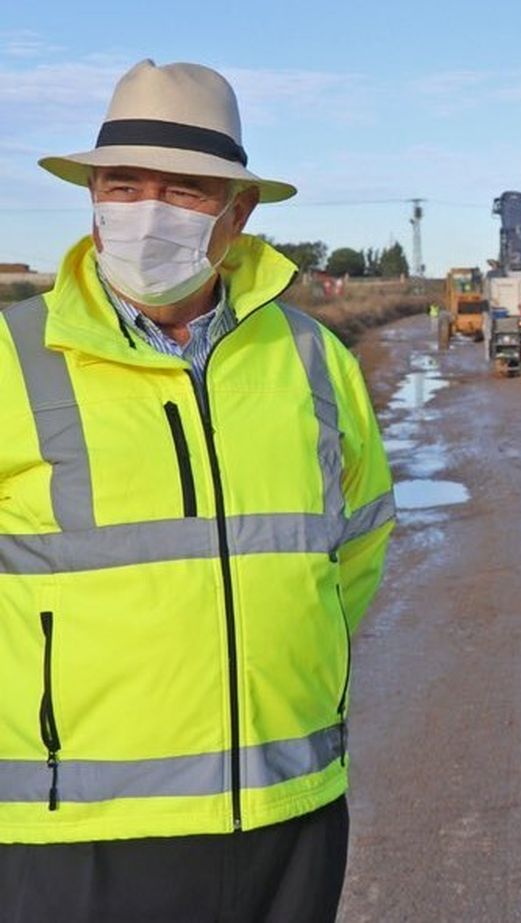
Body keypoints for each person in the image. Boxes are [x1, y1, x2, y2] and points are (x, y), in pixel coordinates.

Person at [0, 60, 394, 922]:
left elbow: (355, 547)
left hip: (287, 813)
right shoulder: (10, 356)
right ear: (92, 195)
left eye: (182, 190)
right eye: (123, 184)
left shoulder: (313, 358)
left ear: (237, 212)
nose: (145, 211)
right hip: (74, 838)